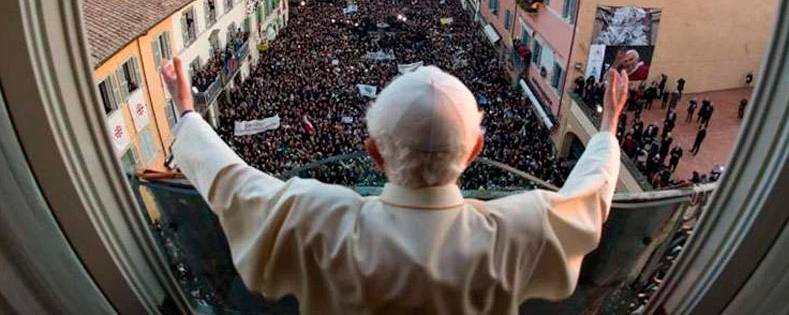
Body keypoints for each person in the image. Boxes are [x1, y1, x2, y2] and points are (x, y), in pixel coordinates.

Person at [162, 57, 630, 314]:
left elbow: (232, 183)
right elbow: (588, 199)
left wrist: (188, 114)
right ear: (475, 151)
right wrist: (606, 128)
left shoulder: (316, 217)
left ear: (373, 153)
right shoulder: (519, 229)